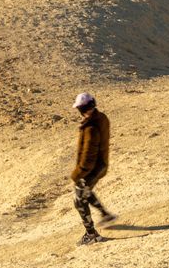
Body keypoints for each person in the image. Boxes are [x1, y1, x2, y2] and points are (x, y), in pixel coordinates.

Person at [70, 91, 114, 243]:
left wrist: (77, 174)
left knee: (79, 199)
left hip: (91, 169)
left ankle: (91, 235)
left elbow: (88, 157)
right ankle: (105, 214)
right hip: (100, 165)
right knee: (85, 192)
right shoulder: (101, 117)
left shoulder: (91, 127)